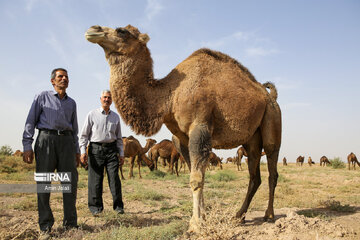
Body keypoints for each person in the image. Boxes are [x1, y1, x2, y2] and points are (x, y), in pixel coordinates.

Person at [22, 68, 80, 234]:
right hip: (46, 141)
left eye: (66, 77)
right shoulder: (42, 97)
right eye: (60, 76)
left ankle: (70, 224)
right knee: (44, 184)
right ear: (53, 81)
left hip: (67, 143)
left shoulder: (72, 103)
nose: (64, 79)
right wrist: (27, 145)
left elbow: (74, 129)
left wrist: (76, 150)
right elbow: (30, 121)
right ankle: (45, 226)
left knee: (69, 183)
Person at [79, 90, 125, 216]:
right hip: (95, 149)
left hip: (111, 150)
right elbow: (84, 136)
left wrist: (121, 154)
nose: (107, 99)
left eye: (109, 98)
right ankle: (96, 208)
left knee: (114, 179)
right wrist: (83, 152)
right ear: (100, 99)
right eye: (105, 97)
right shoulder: (92, 114)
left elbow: (119, 138)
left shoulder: (115, 117)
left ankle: (118, 207)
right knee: (95, 180)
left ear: (112, 100)